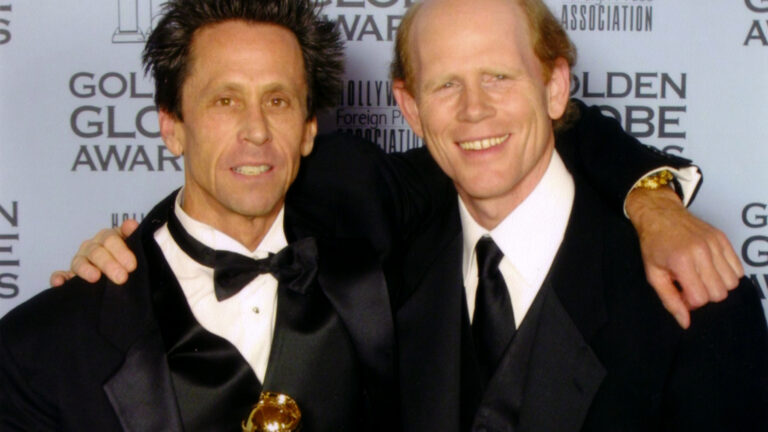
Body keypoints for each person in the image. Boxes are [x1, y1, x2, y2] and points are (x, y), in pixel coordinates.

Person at [0, 1, 399, 430]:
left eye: (278, 101)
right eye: (225, 101)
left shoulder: (382, 278)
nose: (257, 130)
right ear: (172, 126)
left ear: (308, 130)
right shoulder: (45, 343)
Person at [385, 0, 768, 430]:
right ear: (411, 108)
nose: (474, 109)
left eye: (499, 77)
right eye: (446, 85)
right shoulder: (384, 283)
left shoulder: (697, 301)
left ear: (555, 88)